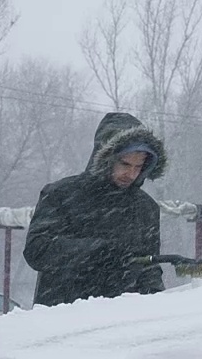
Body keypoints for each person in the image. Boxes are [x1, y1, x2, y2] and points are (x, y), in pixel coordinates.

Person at [23, 112, 167, 307]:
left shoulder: (146, 208)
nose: (131, 173)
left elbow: (148, 267)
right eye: (125, 164)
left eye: (138, 166)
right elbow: (37, 251)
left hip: (121, 320)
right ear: (107, 157)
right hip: (61, 314)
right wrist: (97, 250)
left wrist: (157, 300)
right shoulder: (61, 195)